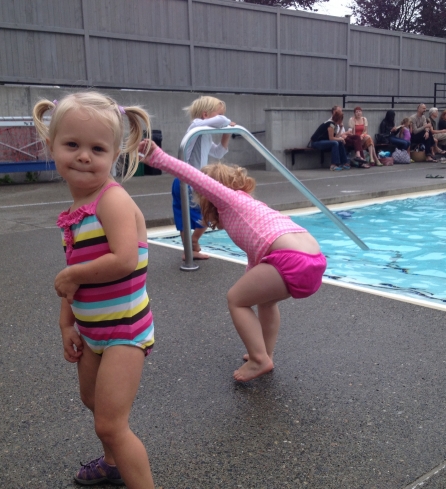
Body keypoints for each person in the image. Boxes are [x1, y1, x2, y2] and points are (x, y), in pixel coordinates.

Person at [33, 92, 155, 489]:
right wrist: (66, 322)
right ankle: (113, 463)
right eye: (72, 145)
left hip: (124, 331)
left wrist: (71, 277)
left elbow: (124, 259)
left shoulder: (112, 200)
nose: (84, 156)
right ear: (52, 146)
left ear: (115, 155)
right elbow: (77, 273)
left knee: (111, 422)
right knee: (93, 403)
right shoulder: (75, 212)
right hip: (91, 330)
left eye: (97, 149)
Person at [139, 140, 327, 383]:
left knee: (236, 300)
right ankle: (263, 354)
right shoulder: (252, 206)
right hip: (313, 259)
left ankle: (259, 359)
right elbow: (258, 249)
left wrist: (156, 157)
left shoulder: (228, 199)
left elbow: (193, 176)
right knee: (266, 302)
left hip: (290, 260)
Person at [172, 96, 236, 260]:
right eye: (219, 113)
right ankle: (192, 242)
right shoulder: (195, 127)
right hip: (189, 180)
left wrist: (226, 134)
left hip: (190, 179)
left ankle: (190, 249)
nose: (222, 117)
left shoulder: (204, 133)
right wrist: (226, 122)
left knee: (187, 215)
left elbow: (218, 152)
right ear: (206, 115)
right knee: (208, 214)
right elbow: (222, 121)